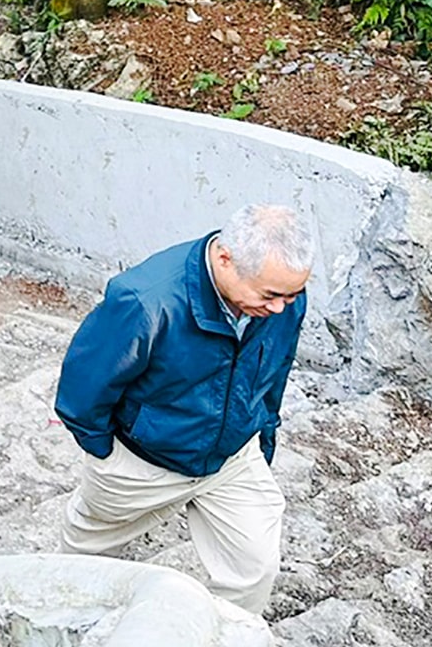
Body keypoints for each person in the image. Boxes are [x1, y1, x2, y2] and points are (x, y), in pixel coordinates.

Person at [53, 204, 315, 617]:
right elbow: (82, 390)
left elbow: (274, 373)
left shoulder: (280, 297)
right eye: (271, 295)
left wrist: (262, 435)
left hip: (232, 458)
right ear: (226, 259)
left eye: (293, 294)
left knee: (254, 566)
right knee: (87, 555)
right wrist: (107, 456)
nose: (283, 308)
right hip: (142, 461)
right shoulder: (146, 300)